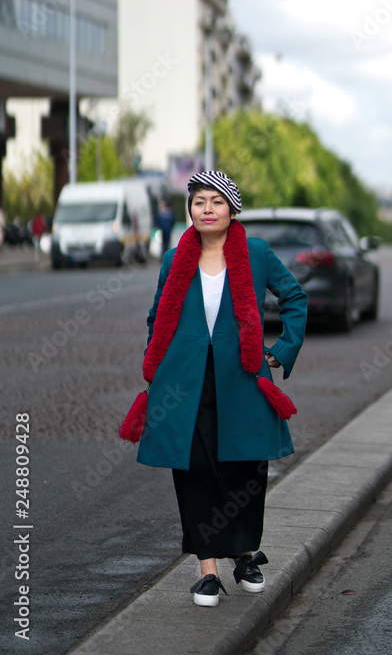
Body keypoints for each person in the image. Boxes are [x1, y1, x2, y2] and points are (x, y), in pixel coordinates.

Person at [132, 170, 307, 607]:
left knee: (246, 468)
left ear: (232, 209)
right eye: (198, 202)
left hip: (242, 377)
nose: (206, 209)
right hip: (185, 383)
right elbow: (158, 315)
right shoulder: (175, 259)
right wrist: (163, 358)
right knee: (193, 470)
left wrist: (282, 350)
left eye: (216, 201)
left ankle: (245, 553)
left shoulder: (256, 253)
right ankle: (207, 571)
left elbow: (294, 298)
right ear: (189, 209)